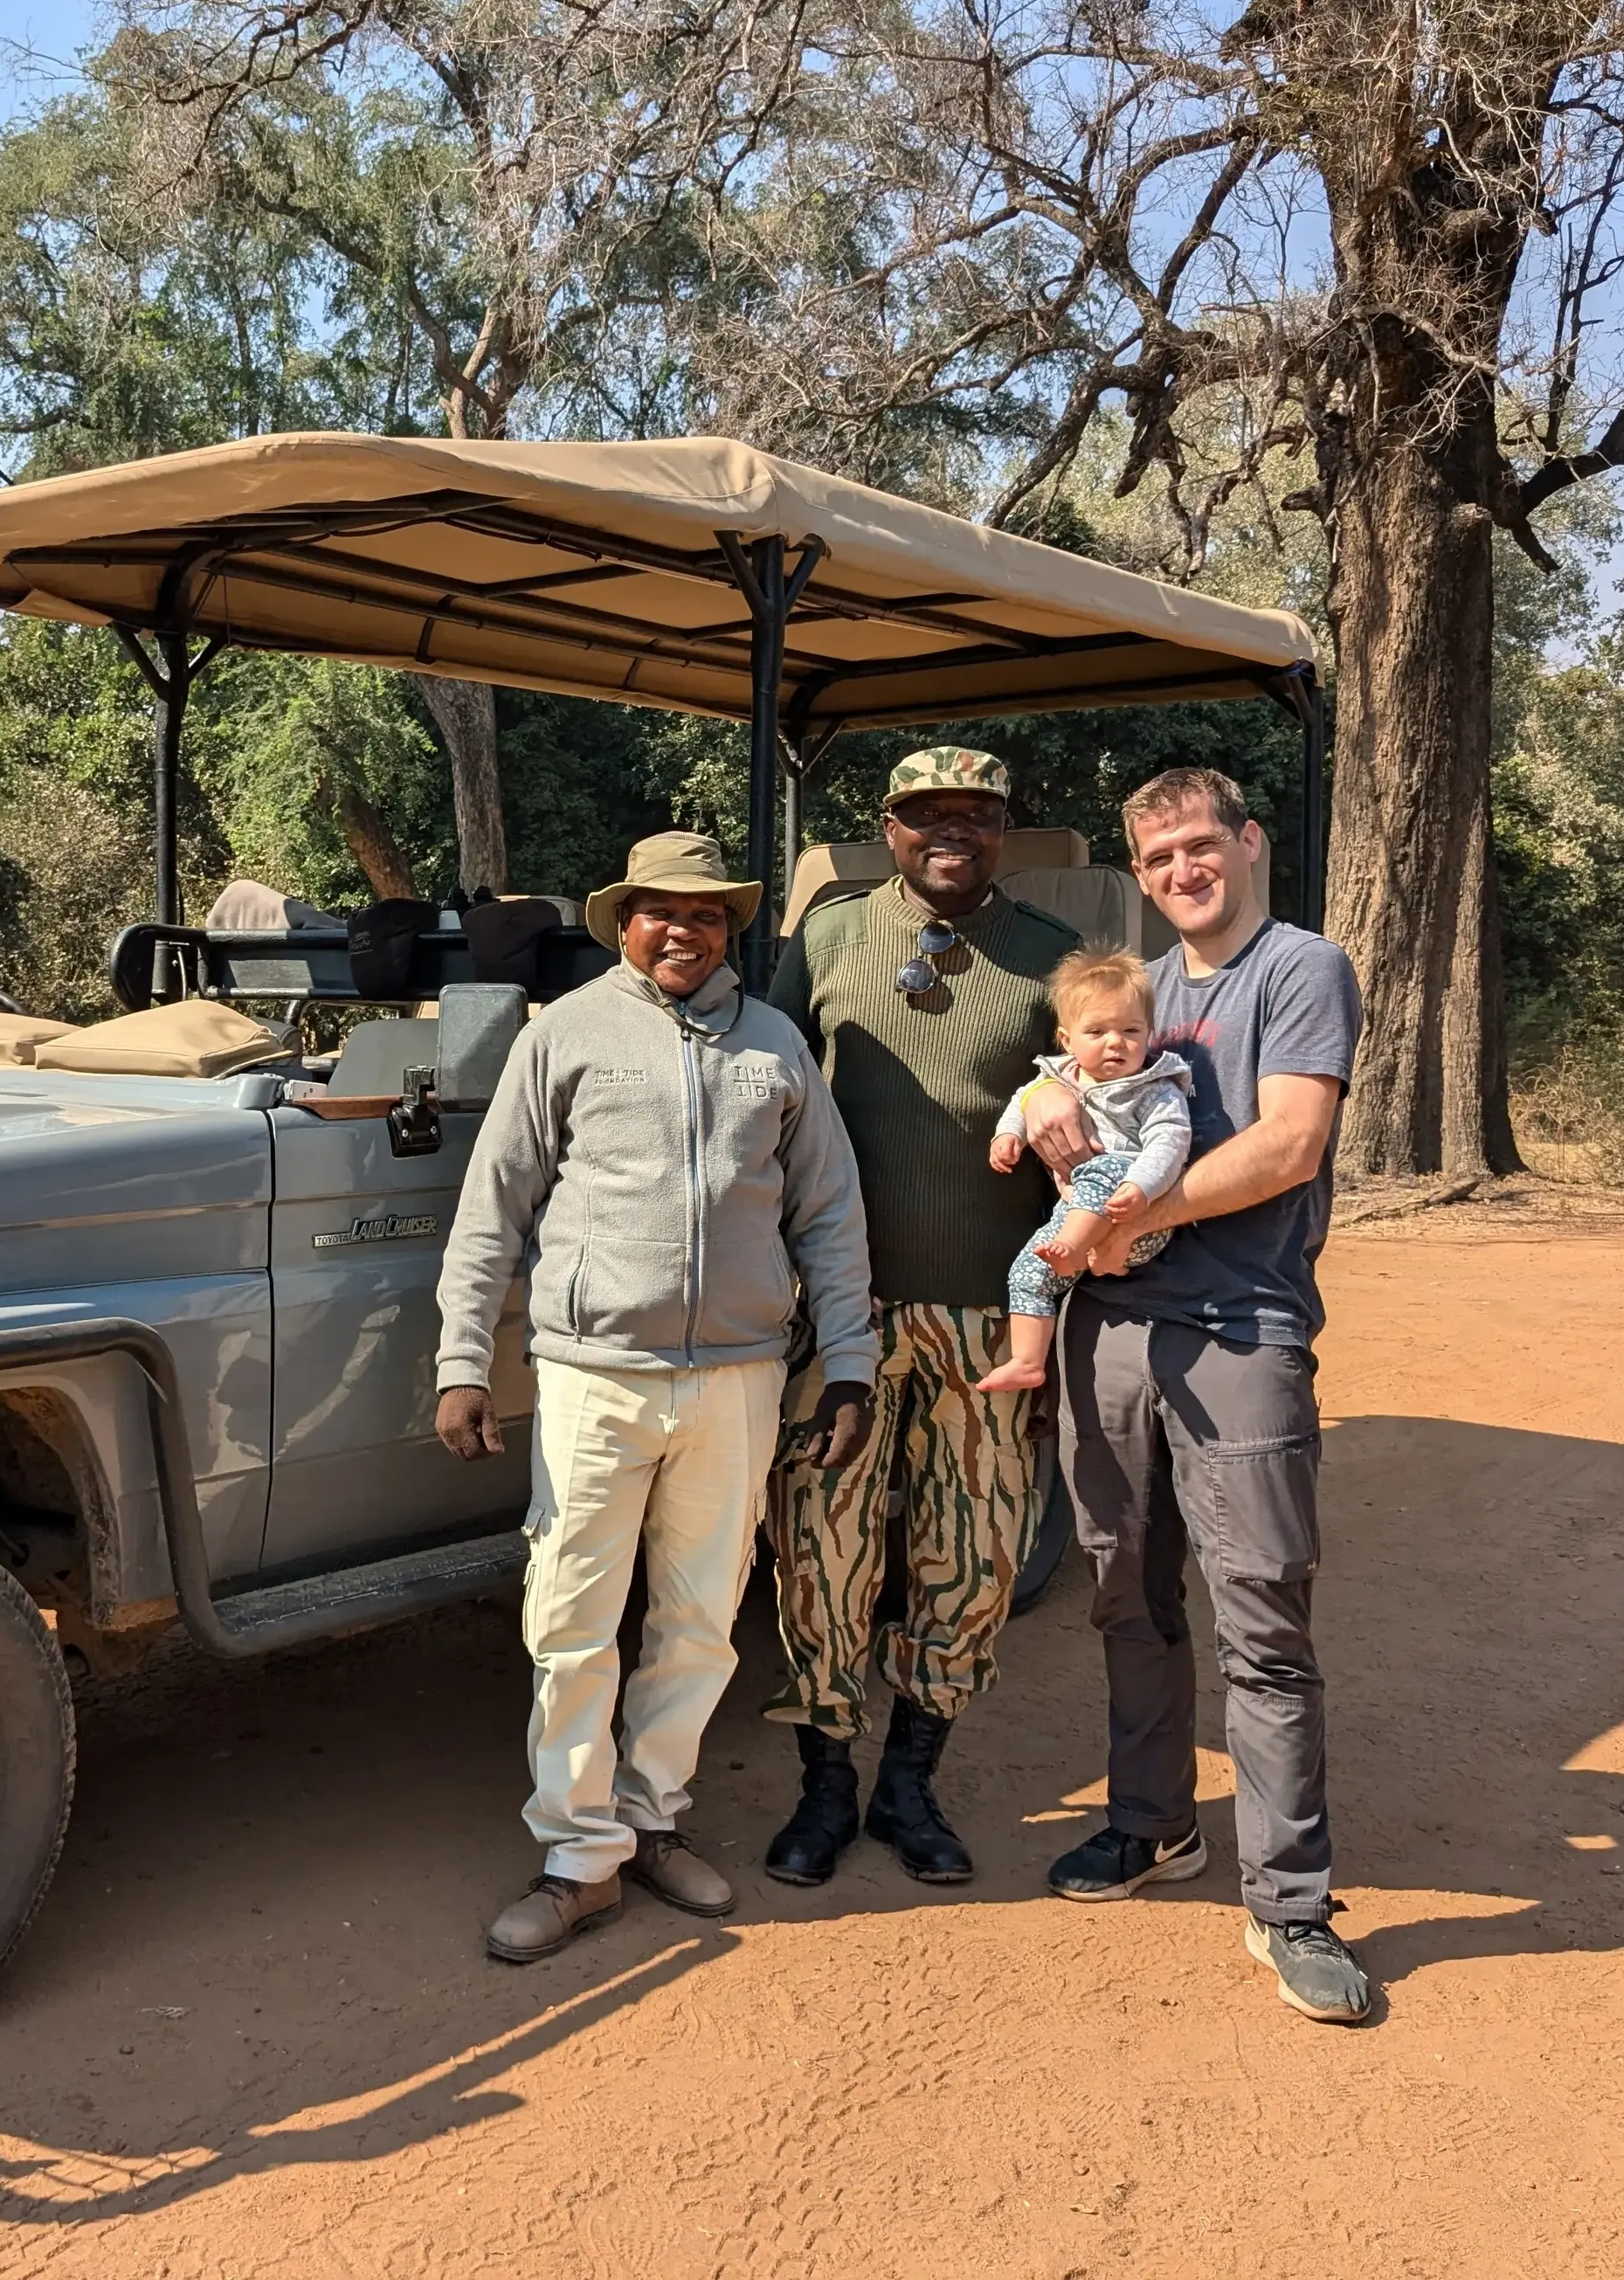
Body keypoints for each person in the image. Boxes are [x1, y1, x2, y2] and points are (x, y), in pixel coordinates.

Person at [435, 830, 878, 1965]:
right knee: (573, 1624)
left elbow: (828, 1215)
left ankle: (650, 1817)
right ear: (623, 920)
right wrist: (464, 1360)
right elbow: (495, 1202)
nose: (683, 930)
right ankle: (578, 1862)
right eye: (659, 911)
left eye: (707, 914)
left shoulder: (773, 1047)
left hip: (735, 1382)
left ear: (730, 929)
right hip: (593, 1377)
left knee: (698, 1620)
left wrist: (849, 1362)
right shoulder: (571, 1033)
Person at [1019, 766, 1375, 2025]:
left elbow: (1289, 1143)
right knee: (1126, 1592)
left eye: (1199, 844)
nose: (1182, 869)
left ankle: (1290, 1904)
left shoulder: (1300, 969)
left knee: (1263, 1615)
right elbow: (1070, 1066)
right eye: (1158, 853)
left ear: (1248, 842)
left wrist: (1131, 1210)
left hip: (1241, 1331)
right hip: (1112, 1333)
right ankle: (1152, 1824)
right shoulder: (1142, 991)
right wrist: (1055, 1092)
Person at [760, 749, 1082, 1884]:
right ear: (886, 826)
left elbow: (1101, 1137)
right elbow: (770, 1095)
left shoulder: (1057, 958)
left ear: (1006, 824)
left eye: (978, 814)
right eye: (925, 813)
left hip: (993, 1324)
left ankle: (909, 1785)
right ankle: (826, 1785)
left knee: (972, 1557)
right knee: (820, 1549)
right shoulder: (833, 937)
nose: (953, 831)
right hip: (838, 1318)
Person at [976, 950, 1195, 1395]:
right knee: (1027, 1273)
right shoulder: (1059, 1078)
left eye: (1130, 1031)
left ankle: (1076, 1248)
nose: (1115, 1042)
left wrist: (1141, 1186)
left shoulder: (1155, 1090)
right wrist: (1008, 1137)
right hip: (1074, 1218)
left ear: (1150, 1035)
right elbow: (1021, 1103)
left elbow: (1170, 1144)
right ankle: (1027, 1361)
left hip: (1138, 1221)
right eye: (1096, 1031)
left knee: (1106, 1168)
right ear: (1066, 1038)